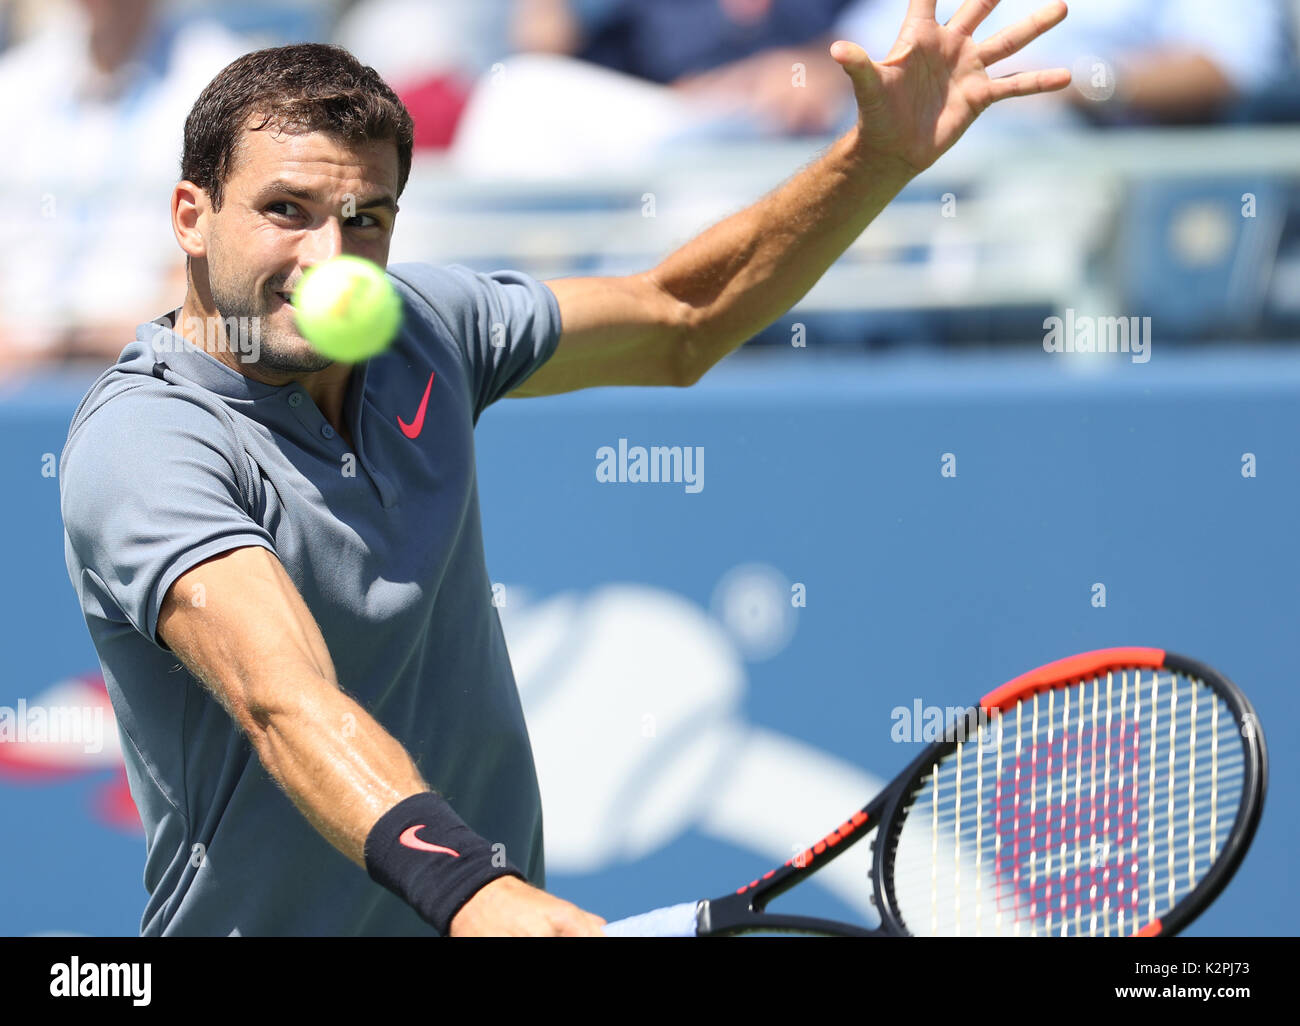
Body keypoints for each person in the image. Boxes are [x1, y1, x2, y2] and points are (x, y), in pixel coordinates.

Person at [59, 0, 1070, 936]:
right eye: (287, 210)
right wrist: (470, 888)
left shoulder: (423, 330)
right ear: (192, 214)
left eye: (366, 218)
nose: (332, 258)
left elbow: (682, 319)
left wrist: (875, 161)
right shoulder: (148, 442)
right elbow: (288, 702)